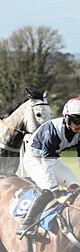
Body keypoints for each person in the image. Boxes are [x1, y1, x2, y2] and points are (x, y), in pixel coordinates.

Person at [17, 97, 80, 238]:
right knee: (48, 191)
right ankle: (26, 225)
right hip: (35, 160)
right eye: (77, 120)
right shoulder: (53, 131)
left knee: (77, 187)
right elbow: (47, 166)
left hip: (52, 160)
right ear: (67, 118)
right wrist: (57, 193)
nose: (79, 126)